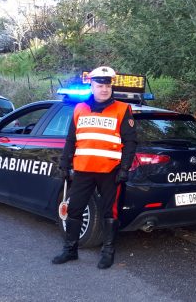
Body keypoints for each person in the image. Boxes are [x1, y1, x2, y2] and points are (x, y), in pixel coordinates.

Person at [52, 66, 137, 269]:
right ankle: (70, 249)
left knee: (111, 212)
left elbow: (131, 141)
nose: (104, 89)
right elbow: (71, 139)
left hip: (111, 171)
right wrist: (65, 164)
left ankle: (108, 251)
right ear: (92, 85)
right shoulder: (79, 108)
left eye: (107, 85)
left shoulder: (122, 109)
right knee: (74, 210)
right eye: (100, 85)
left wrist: (124, 168)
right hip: (83, 170)